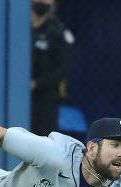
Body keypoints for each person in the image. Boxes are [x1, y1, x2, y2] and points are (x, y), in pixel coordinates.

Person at [31, 0, 74, 136]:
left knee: (44, 138)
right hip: (17, 94)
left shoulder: (59, 33)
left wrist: (36, 83)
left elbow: (63, 69)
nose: (42, 2)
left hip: (45, 98)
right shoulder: (17, 27)